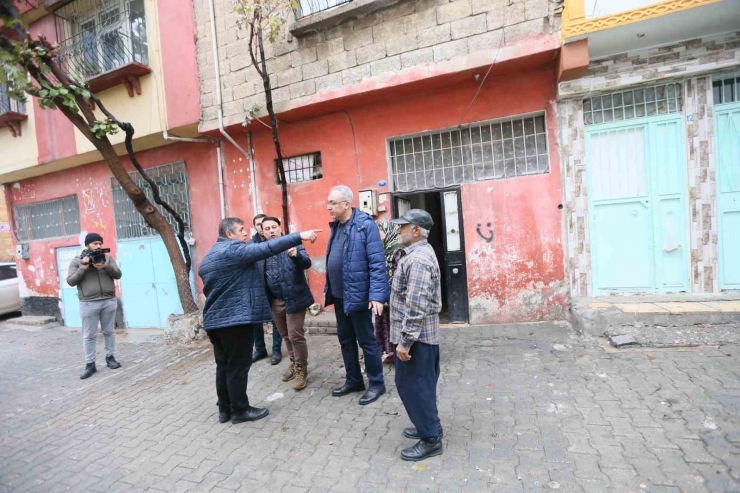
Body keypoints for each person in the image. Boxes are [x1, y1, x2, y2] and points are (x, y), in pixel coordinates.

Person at [199, 217, 320, 424]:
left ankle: (224, 409)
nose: (246, 234)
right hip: (234, 322)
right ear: (229, 234)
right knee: (238, 367)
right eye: (241, 230)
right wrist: (299, 236)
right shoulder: (233, 250)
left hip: (214, 320)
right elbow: (266, 249)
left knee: (224, 366)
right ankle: (240, 410)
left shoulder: (210, 255)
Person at [324, 185, 389, 406]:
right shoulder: (337, 226)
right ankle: (354, 380)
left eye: (333, 203)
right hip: (340, 295)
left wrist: (377, 295)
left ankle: (377, 383)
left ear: (346, 204)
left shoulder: (364, 225)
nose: (329, 207)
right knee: (345, 339)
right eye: (328, 202)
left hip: (359, 295)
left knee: (367, 341)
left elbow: (377, 262)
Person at [390, 209, 444, 461]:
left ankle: (431, 439)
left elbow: (415, 306)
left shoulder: (418, 259)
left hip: (418, 339)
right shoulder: (416, 254)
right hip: (422, 337)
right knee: (422, 385)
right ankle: (428, 425)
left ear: (415, 231)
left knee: (414, 386)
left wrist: (405, 342)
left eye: (403, 226)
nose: (399, 230)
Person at [261, 216, 313, 391]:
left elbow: (307, 263)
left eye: (274, 227)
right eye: (267, 229)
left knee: (295, 335)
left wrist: (296, 255)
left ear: (279, 228)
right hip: (274, 300)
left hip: (294, 297)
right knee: (285, 335)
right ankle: (293, 362)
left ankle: (301, 369)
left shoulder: (292, 243)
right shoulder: (262, 251)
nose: (271, 231)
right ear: (263, 232)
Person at [66, 233, 123, 380]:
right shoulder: (77, 261)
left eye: (100, 243)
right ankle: (90, 364)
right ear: (87, 245)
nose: (98, 246)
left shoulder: (107, 258)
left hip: (108, 301)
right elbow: (71, 281)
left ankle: (110, 357)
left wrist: (106, 266)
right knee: (89, 335)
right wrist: (83, 267)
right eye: (94, 243)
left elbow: (118, 274)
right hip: (88, 303)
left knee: (109, 331)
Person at [250, 213, 284, 365]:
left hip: (274, 290)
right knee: (256, 322)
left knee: (276, 321)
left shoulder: (276, 242)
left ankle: (276, 350)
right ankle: (260, 349)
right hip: (258, 290)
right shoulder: (251, 246)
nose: (261, 227)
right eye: (258, 225)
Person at [375, 221, 402, 364]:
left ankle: (396, 351)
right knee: (382, 322)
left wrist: (388, 285)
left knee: (393, 323)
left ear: (388, 231)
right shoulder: (380, 249)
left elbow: (400, 273)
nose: (378, 233)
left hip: (393, 296)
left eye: (380, 230)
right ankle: (386, 350)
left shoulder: (397, 250)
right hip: (381, 296)